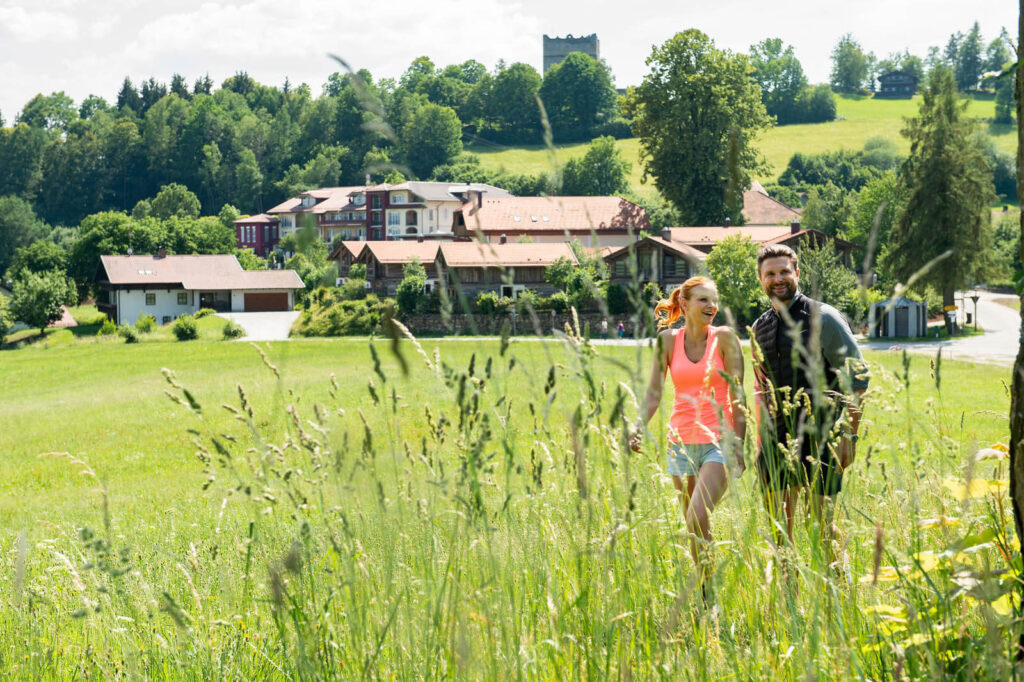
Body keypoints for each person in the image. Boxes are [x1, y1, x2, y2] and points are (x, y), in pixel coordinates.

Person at [751, 244, 868, 565]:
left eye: (784, 271)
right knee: (779, 529)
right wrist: (760, 440)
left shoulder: (823, 318)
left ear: (797, 274)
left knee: (820, 527)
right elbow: (760, 386)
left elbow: (858, 380)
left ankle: (834, 596)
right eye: (770, 273)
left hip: (822, 436)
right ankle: (790, 599)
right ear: (761, 279)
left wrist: (849, 436)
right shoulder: (759, 327)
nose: (778, 278)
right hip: (775, 440)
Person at [631, 276, 746, 596]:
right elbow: (654, 392)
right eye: (703, 300)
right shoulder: (667, 341)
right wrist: (638, 426)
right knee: (696, 528)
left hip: (717, 442)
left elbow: (738, 397)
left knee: (697, 516)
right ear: (684, 304)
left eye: (714, 300)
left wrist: (739, 444)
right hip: (680, 442)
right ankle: (708, 594)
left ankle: (709, 590)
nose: (712, 306)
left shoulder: (724, 339)